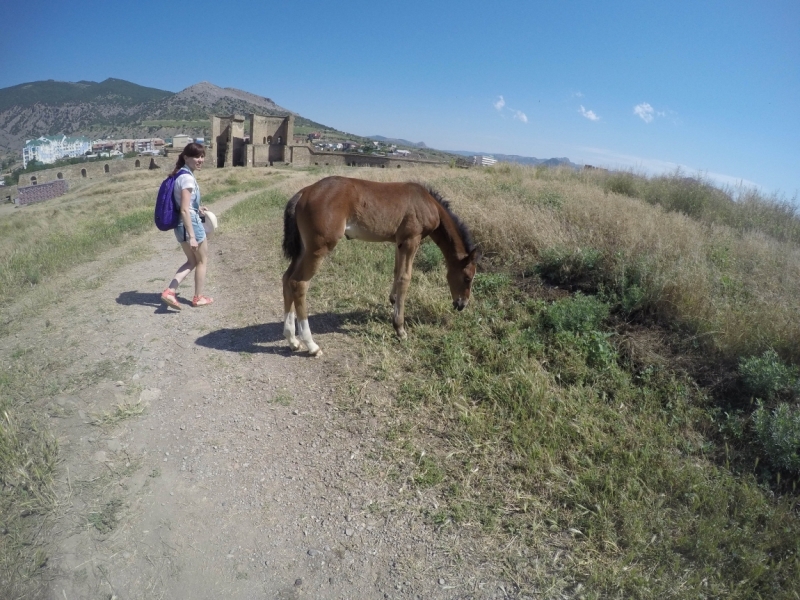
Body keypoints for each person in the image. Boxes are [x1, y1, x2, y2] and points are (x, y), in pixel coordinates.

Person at [160, 142, 214, 309]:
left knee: (191, 261)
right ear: (185, 157)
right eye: (196, 156)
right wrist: (192, 236)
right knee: (202, 261)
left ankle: (170, 291)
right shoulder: (188, 178)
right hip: (191, 226)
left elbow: (185, 206)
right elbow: (184, 209)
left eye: (202, 156)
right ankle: (198, 297)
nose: (200, 160)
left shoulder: (180, 175)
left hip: (180, 226)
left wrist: (198, 208)